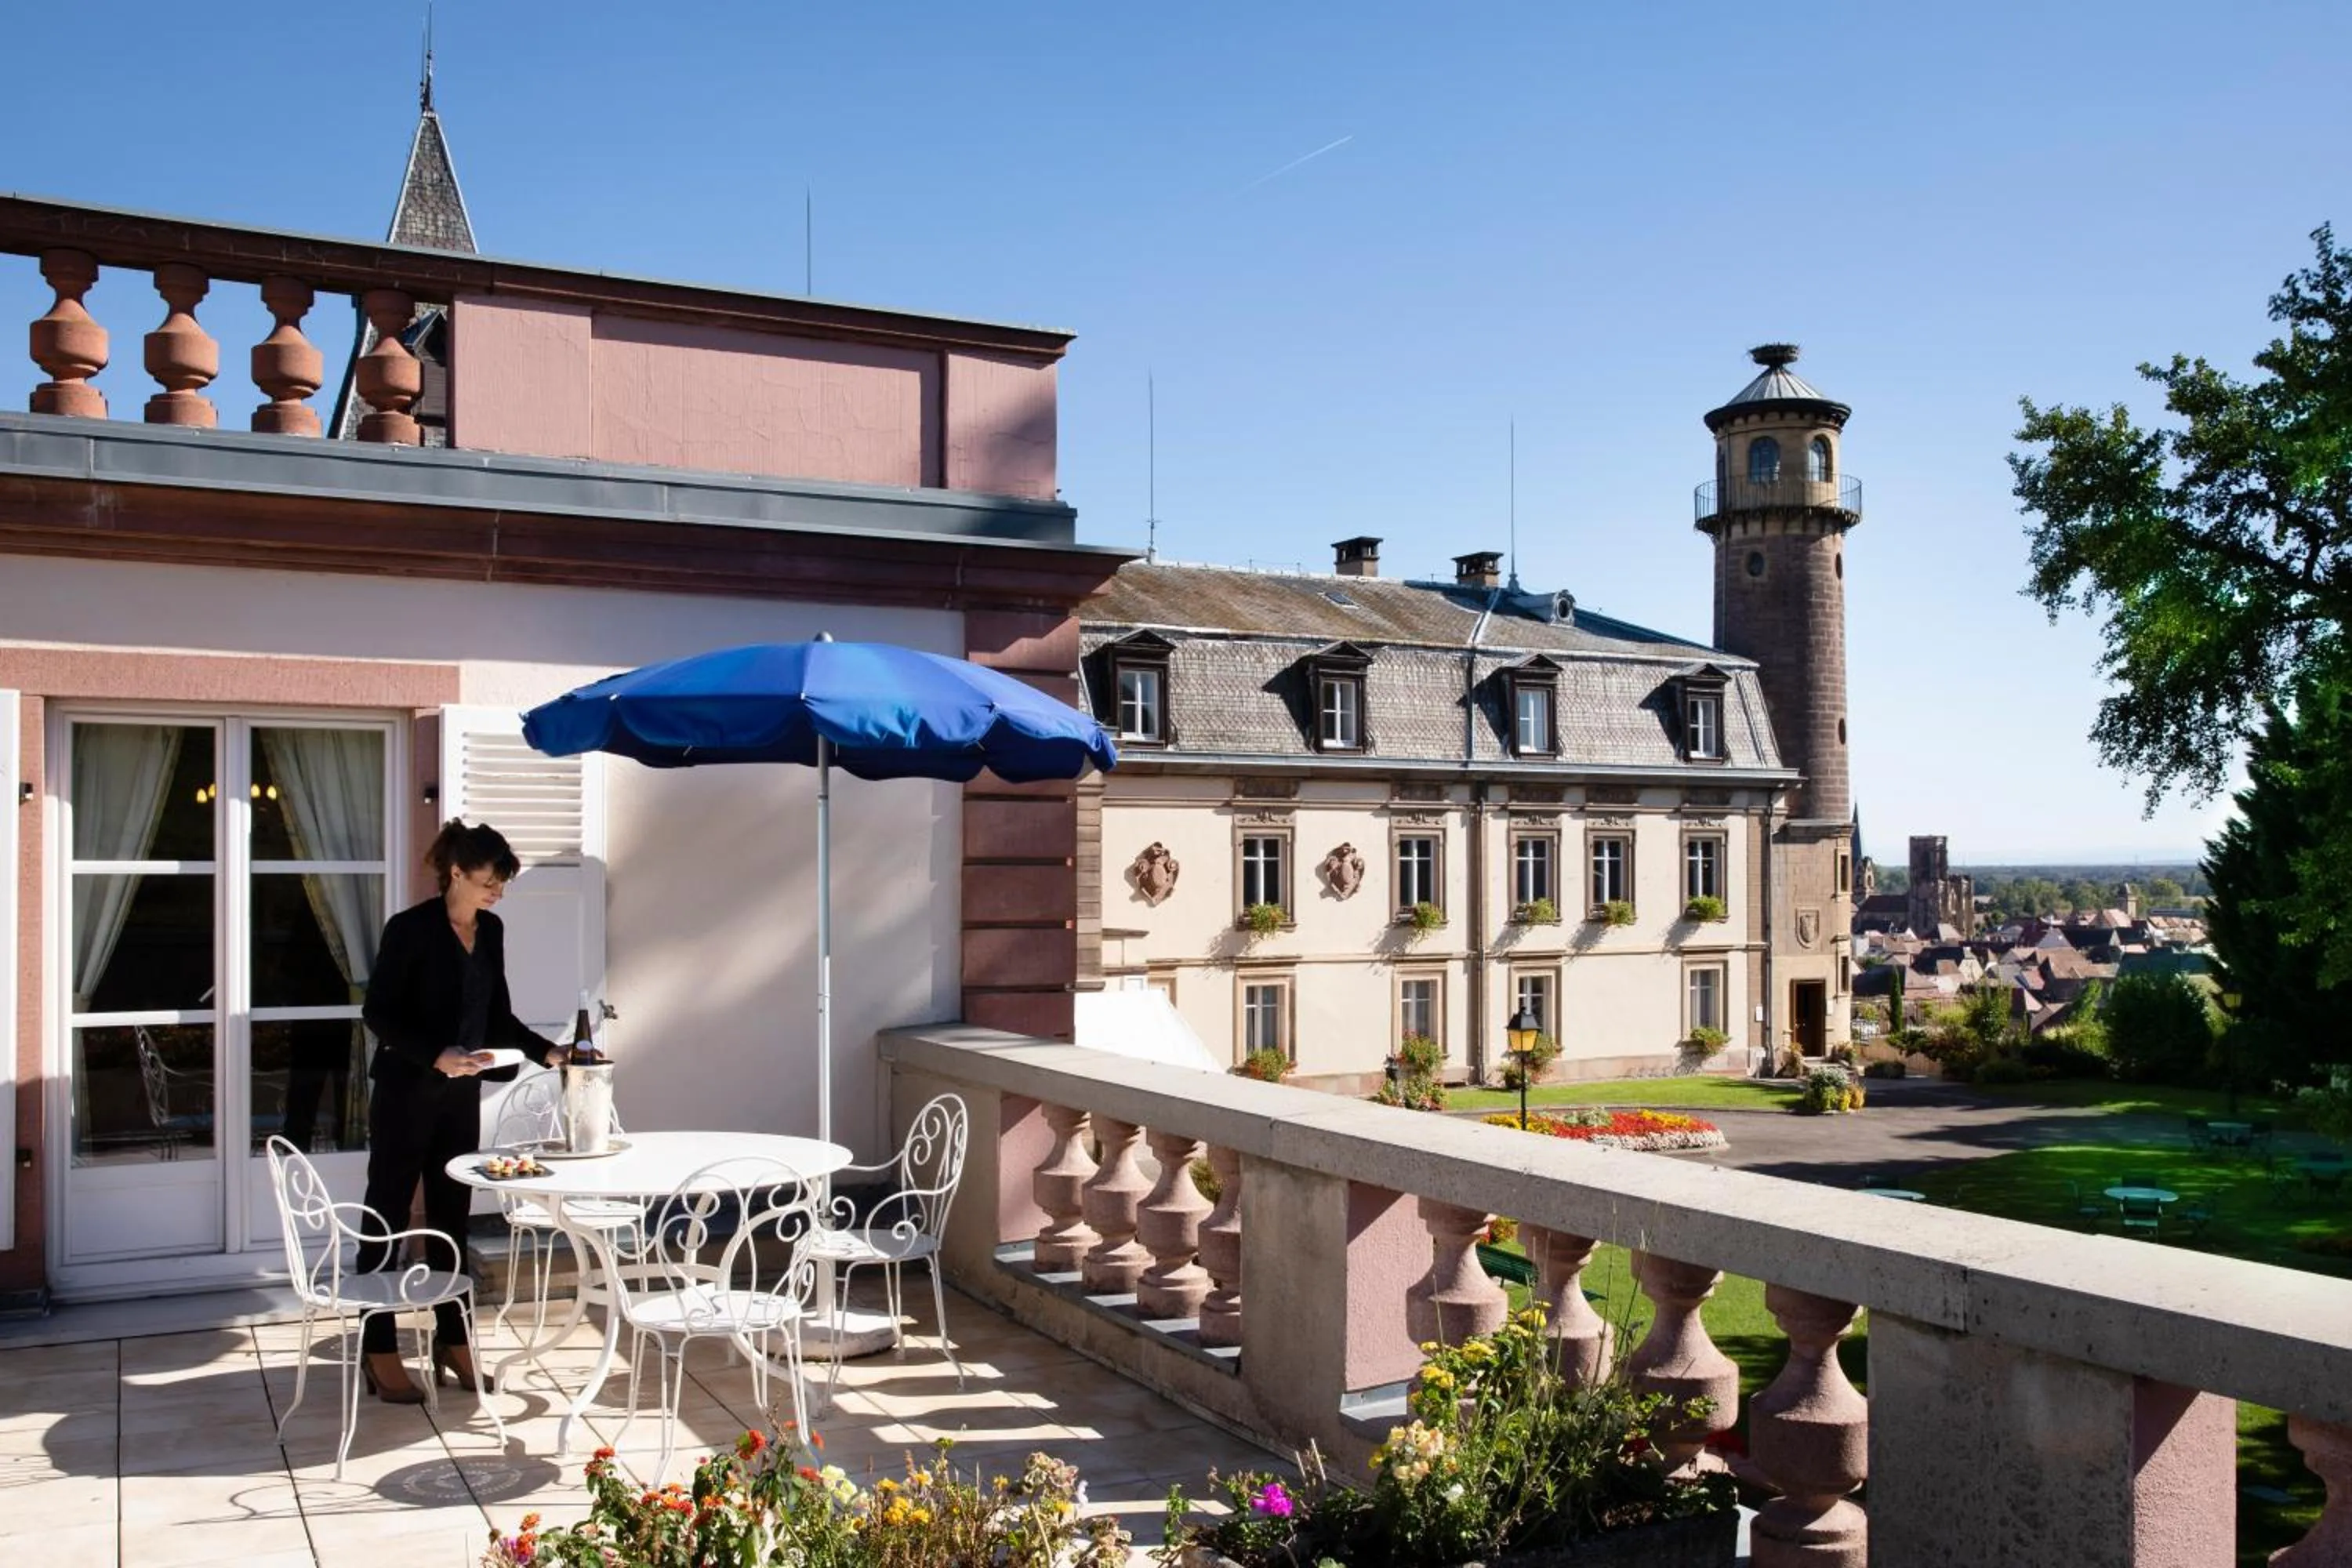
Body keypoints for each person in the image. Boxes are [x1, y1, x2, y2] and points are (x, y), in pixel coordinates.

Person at [356, 819, 568, 1402]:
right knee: (387, 1218)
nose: (497, 891)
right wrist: (436, 1054)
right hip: (405, 1094)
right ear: (455, 872)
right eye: (488, 880)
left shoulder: (491, 931)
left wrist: (548, 1051)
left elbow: (497, 1015)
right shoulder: (411, 930)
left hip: (460, 1099)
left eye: (502, 882)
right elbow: (378, 1014)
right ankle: (378, 1350)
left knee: (452, 1221)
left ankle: (455, 1343)